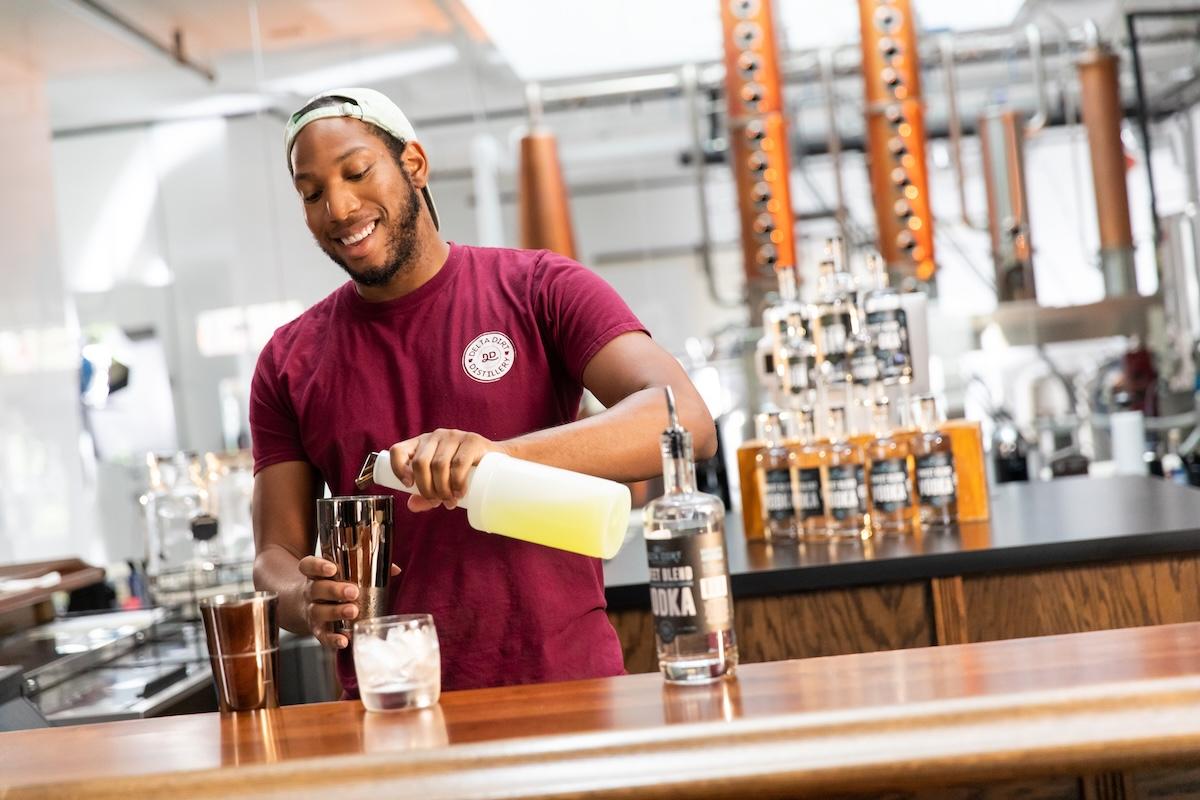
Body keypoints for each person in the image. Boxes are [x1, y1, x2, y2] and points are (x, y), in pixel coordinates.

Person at [250, 87, 716, 693]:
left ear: (413, 164)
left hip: (566, 692)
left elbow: (687, 421)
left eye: (357, 172)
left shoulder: (539, 288)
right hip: (397, 704)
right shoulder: (289, 360)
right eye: (311, 193)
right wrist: (300, 598)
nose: (338, 207)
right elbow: (273, 556)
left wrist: (498, 456)